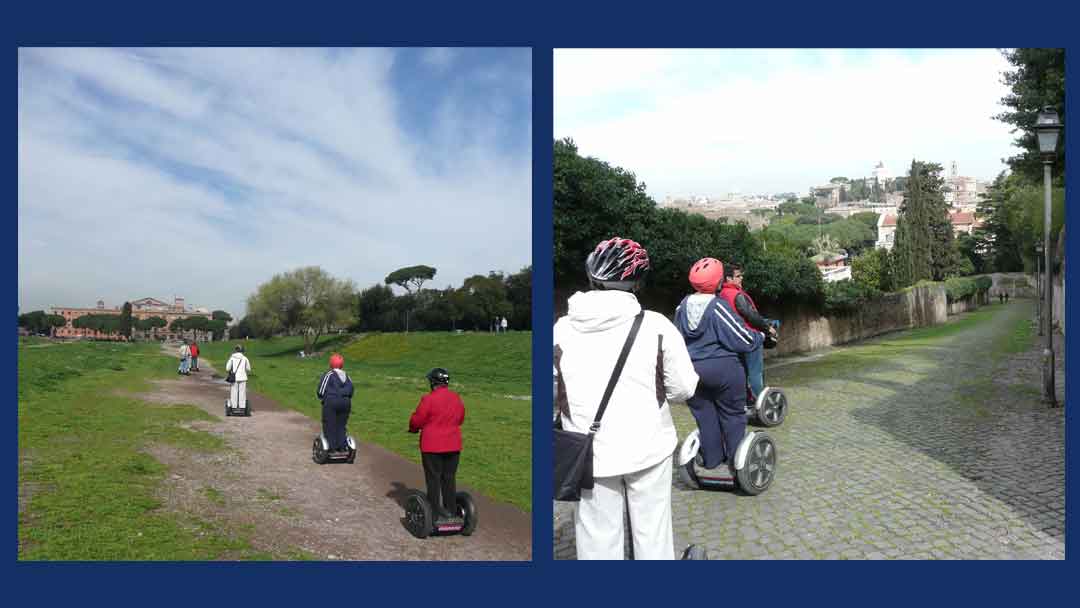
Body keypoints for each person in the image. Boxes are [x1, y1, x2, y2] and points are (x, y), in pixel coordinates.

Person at [554, 237, 699, 560]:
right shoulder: (656, 326)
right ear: (637, 282)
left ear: (592, 278)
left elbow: (556, 388)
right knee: (652, 532)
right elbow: (684, 388)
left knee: (596, 538)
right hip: (648, 445)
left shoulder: (561, 329)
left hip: (587, 451)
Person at [675, 258, 764, 477]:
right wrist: (760, 336)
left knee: (705, 416)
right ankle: (734, 465)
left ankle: (711, 462)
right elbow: (741, 338)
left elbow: (676, 340)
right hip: (722, 370)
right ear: (717, 282)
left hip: (691, 370)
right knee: (733, 415)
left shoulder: (681, 307)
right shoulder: (717, 307)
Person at [409, 368, 466, 521]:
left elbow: (418, 420)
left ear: (433, 382)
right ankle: (451, 511)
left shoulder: (428, 399)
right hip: (453, 445)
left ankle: (434, 513)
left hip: (432, 446)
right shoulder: (456, 398)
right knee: (449, 477)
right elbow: (460, 418)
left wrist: (413, 428)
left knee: (433, 479)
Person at [718, 263, 776, 404]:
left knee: (742, 374)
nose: (741, 278)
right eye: (738, 276)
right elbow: (751, 316)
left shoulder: (720, 295)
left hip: (733, 340)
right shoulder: (736, 295)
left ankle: (746, 401)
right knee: (755, 373)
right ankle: (761, 404)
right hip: (750, 339)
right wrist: (768, 328)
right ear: (728, 278)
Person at [317, 353, 354, 452]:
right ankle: (342, 447)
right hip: (346, 403)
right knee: (341, 425)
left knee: (329, 424)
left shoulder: (329, 374)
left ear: (331, 364)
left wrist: (322, 398)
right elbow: (351, 391)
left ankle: (331, 448)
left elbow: (321, 391)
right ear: (342, 365)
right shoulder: (347, 376)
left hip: (331, 402)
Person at [225, 345, 252, 410]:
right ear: (242, 351)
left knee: (234, 392)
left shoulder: (232, 358)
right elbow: (248, 369)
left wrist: (232, 369)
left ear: (235, 350)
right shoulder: (245, 358)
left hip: (234, 378)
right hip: (243, 378)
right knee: (242, 393)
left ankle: (234, 407)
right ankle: (242, 407)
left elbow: (227, 368)